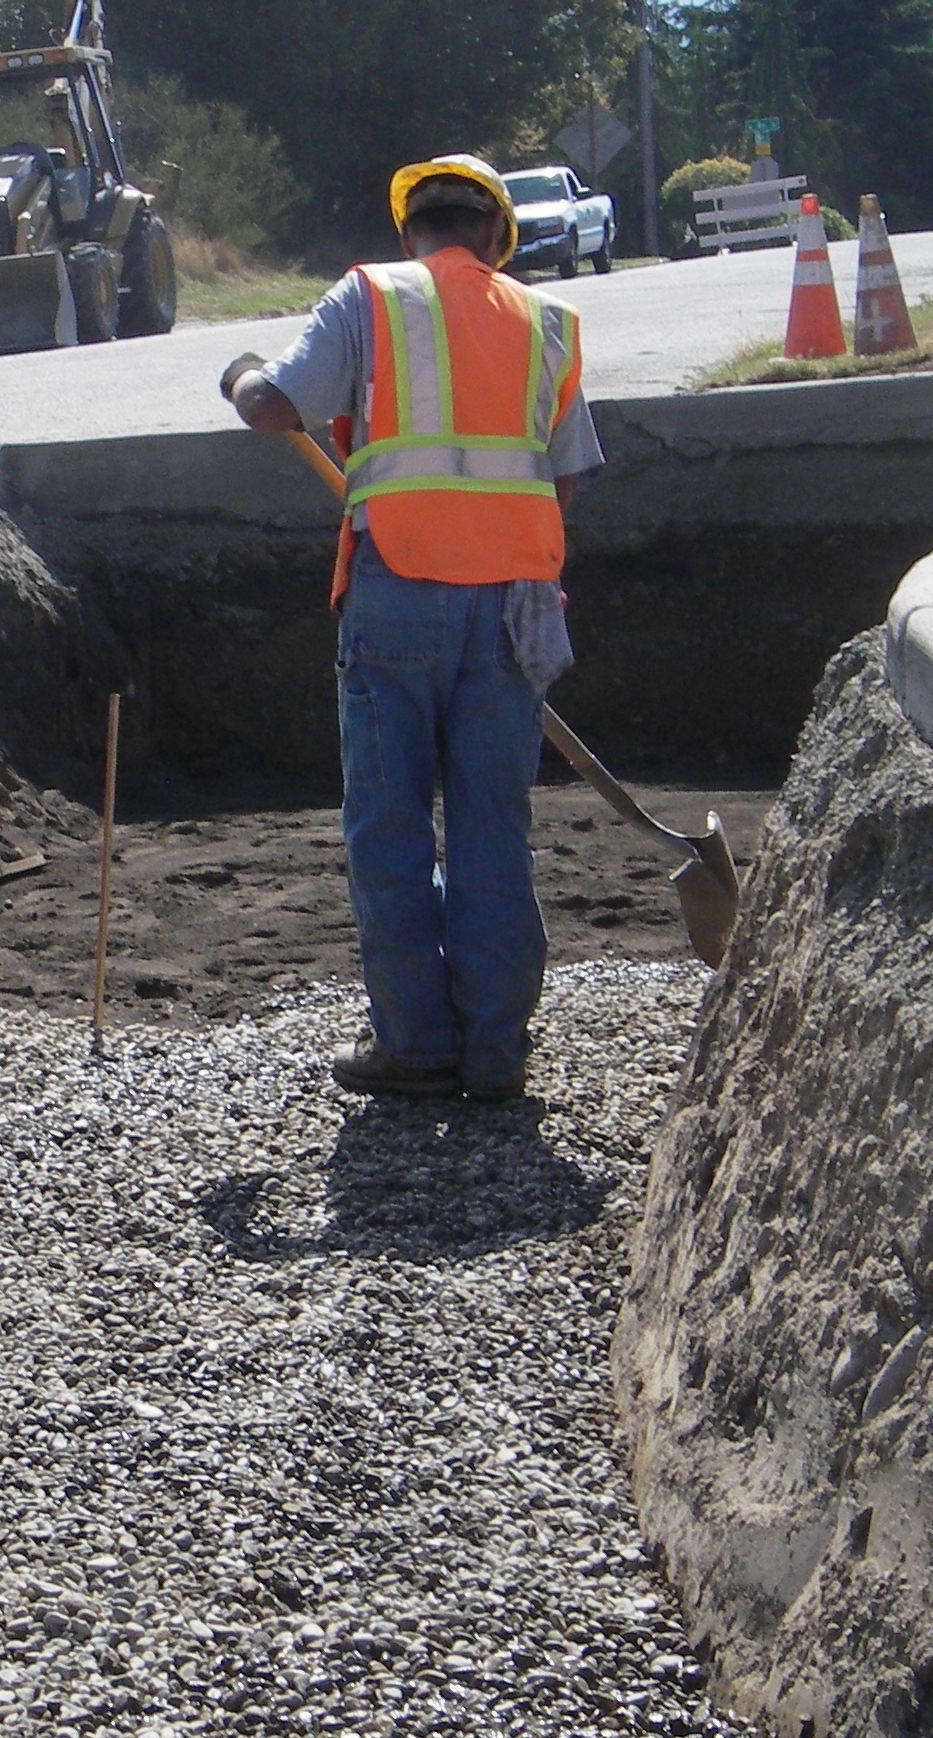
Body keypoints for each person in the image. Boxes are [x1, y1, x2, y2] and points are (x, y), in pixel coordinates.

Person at [220, 153, 603, 1103]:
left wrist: (239, 378)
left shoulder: (371, 297)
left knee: (390, 824)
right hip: (515, 604)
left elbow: (275, 406)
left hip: (396, 591)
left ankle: (417, 1044)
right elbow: (563, 474)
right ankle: (496, 1053)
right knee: (492, 826)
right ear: (497, 238)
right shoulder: (550, 323)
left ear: (409, 232)